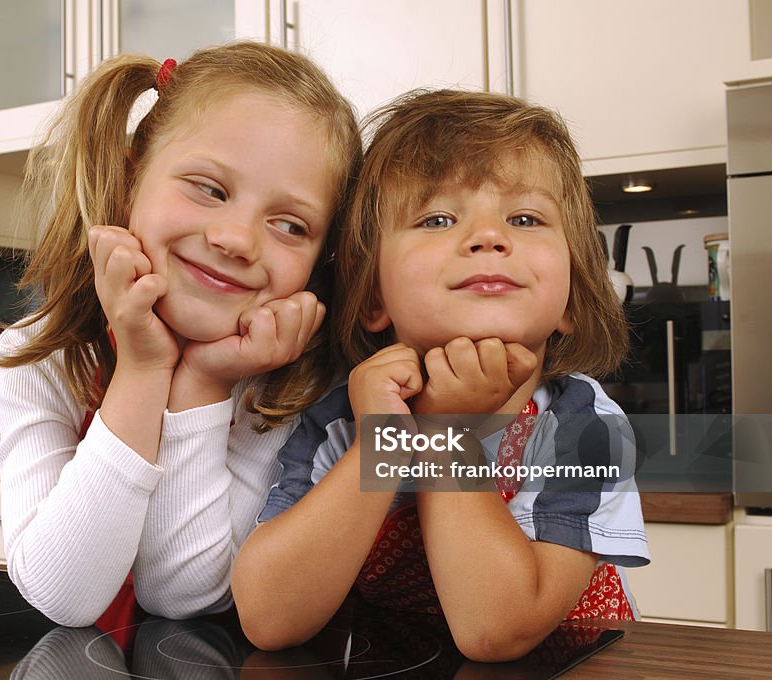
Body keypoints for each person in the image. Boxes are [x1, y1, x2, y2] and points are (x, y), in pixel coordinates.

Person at [231, 89, 650, 662]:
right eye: (438, 218)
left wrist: (439, 431)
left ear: (572, 299)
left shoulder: (585, 427)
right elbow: (271, 620)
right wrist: (385, 441)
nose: (487, 236)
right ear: (374, 295)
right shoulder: (338, 423)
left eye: (524, 218)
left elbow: (498, 630)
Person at [0, 41, 361, 627]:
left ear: (322, 259)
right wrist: (142, 370)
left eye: (290, 224)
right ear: (133, 174)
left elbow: (186, 595)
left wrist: (206, 381)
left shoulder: (301, 381)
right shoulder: (36, 356)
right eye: (209, 189)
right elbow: (63, 595)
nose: (237, 239)